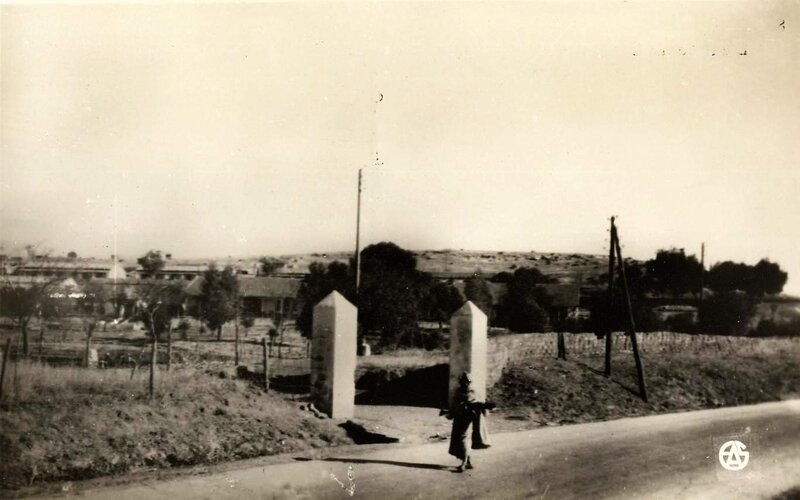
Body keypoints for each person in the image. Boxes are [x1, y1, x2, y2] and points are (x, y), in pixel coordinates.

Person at [445, 372, 492, 472]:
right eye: (463, 381)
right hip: (459, 417)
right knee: (459, 438)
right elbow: (455, 405)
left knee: (463, 438)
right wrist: (451, 413)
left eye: (466, 381)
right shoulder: (460, 391)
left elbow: (480, 404)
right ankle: (468, 461)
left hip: (467, 417)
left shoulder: (472, 391)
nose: (465, 383)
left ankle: (464, 463)